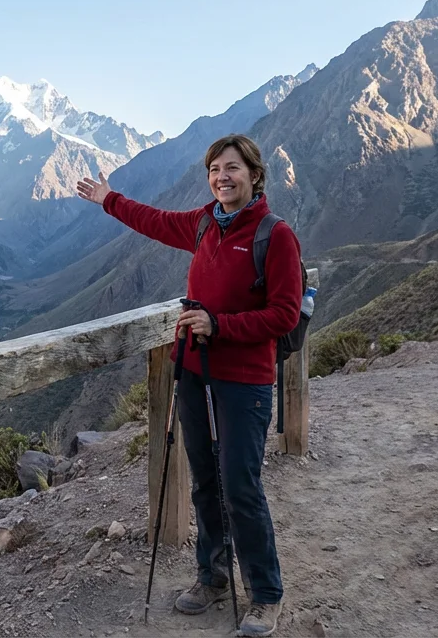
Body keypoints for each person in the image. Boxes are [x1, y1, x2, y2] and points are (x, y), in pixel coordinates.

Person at [76, 134, 302, 637]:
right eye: (215, 169)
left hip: (244, 379)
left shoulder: (274, 235)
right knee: (203, 476)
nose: (223, 177)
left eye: (233, 168)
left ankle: (265, 594)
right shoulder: (203, 223)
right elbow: (154, 222)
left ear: (254, 175)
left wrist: (219, 325)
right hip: (195, 368)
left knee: (241, 484)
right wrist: (107, 200)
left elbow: (284, 314)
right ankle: (214, 575)